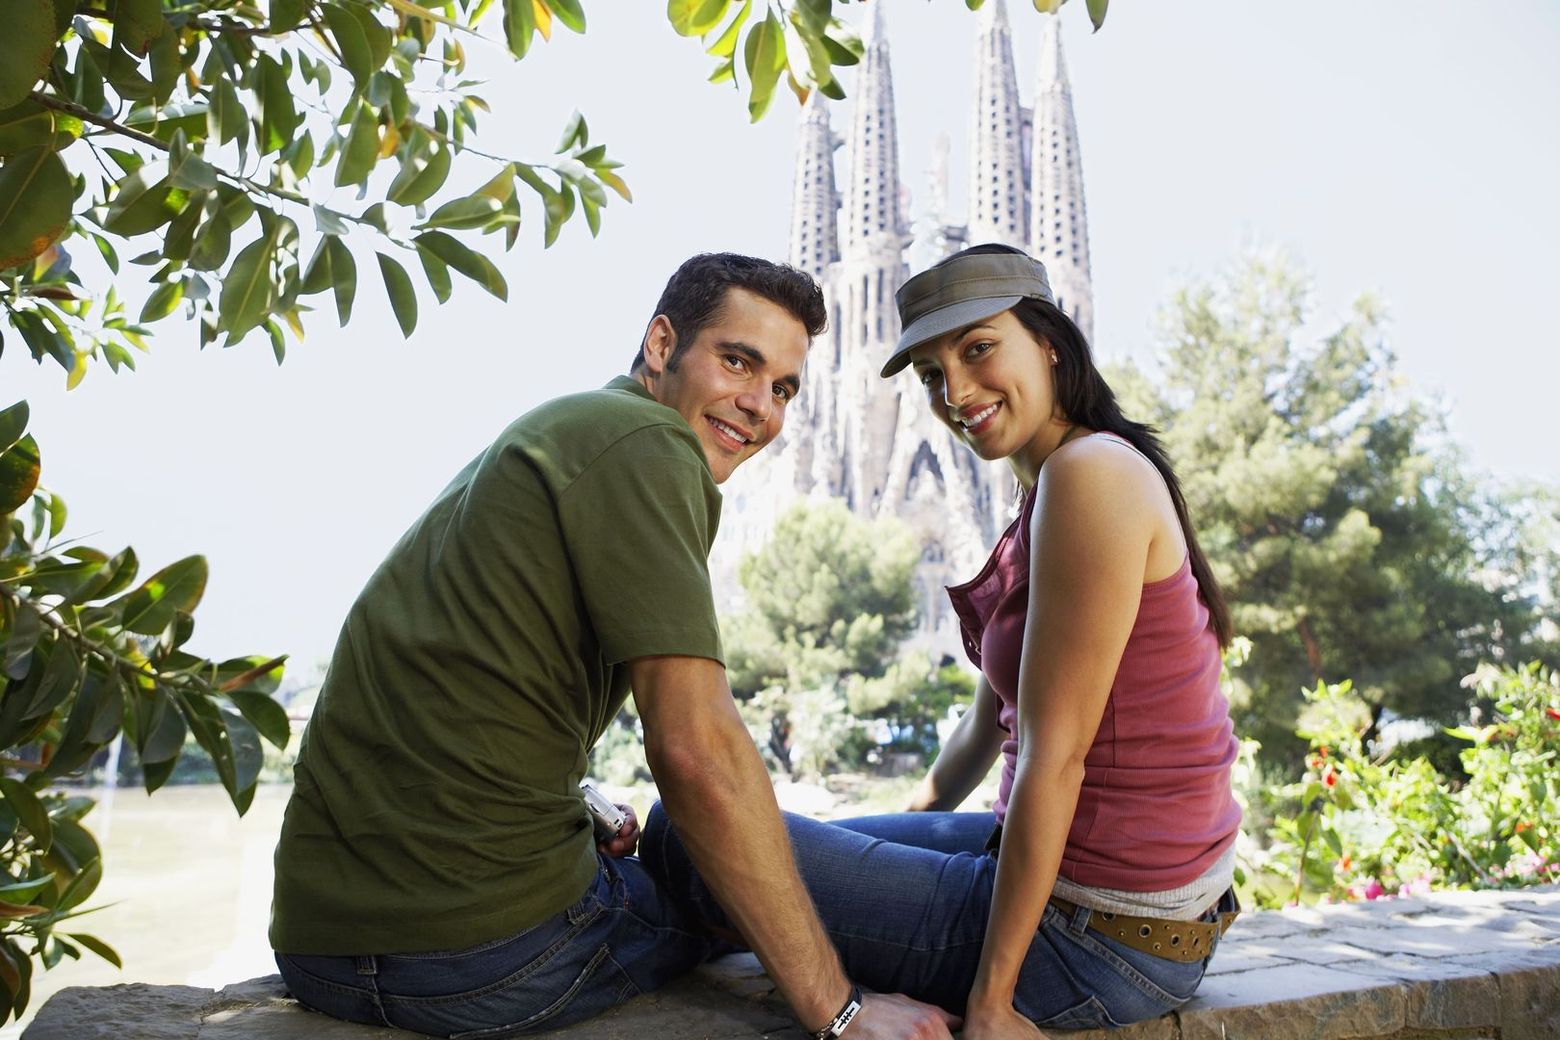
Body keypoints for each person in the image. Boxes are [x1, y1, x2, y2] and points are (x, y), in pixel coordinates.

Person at [269, 252, 957, 1040]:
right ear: (662, 345)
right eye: (738, 362)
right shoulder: (651, 447)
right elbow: (697, 752)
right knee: (705, 866)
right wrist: (839, 1009)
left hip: (323, 946)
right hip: (474, 959)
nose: (759, 408)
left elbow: (454, 687)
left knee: (730, 847)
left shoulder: (568, 431)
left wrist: (577, 801)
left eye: (783, 389)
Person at [643, 244, 1242, 1038]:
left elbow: (1054, 757)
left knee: (688, 838)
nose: (955, 391)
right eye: (931, 374)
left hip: (1098, 940)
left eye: (978, 349)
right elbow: (978, 730)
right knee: (763, 856)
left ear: (1051, 342)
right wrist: (901, 834)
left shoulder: (1089, 477)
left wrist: (993, 1003)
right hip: (1111, 901)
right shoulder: (1058, 488)